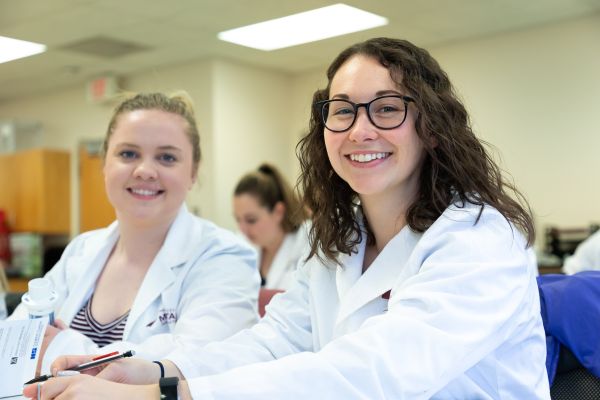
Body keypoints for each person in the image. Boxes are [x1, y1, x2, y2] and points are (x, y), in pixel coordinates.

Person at [24, 38, 550, 399]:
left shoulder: (478, 238)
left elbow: (381, 372)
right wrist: (154, 369)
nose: (359, 130)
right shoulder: (340, 242)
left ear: (431, 126)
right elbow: (272, 343)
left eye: (386, 108)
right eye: (342, 110)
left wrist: (166, 393)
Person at [11, 92, 260, 374]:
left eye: (167, 157)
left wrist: (62, 347)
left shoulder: (224, 256)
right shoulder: (81, 251)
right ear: (105, 164)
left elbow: (196, 364)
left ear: (193, 172)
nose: (145, 170)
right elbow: (15, 343)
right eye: (128, 154)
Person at [233, 163, 310, 289]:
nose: (243, 229)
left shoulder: (306, 243)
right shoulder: (242, 245)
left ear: (278, 212)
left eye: (251, 220)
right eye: (238, 219)